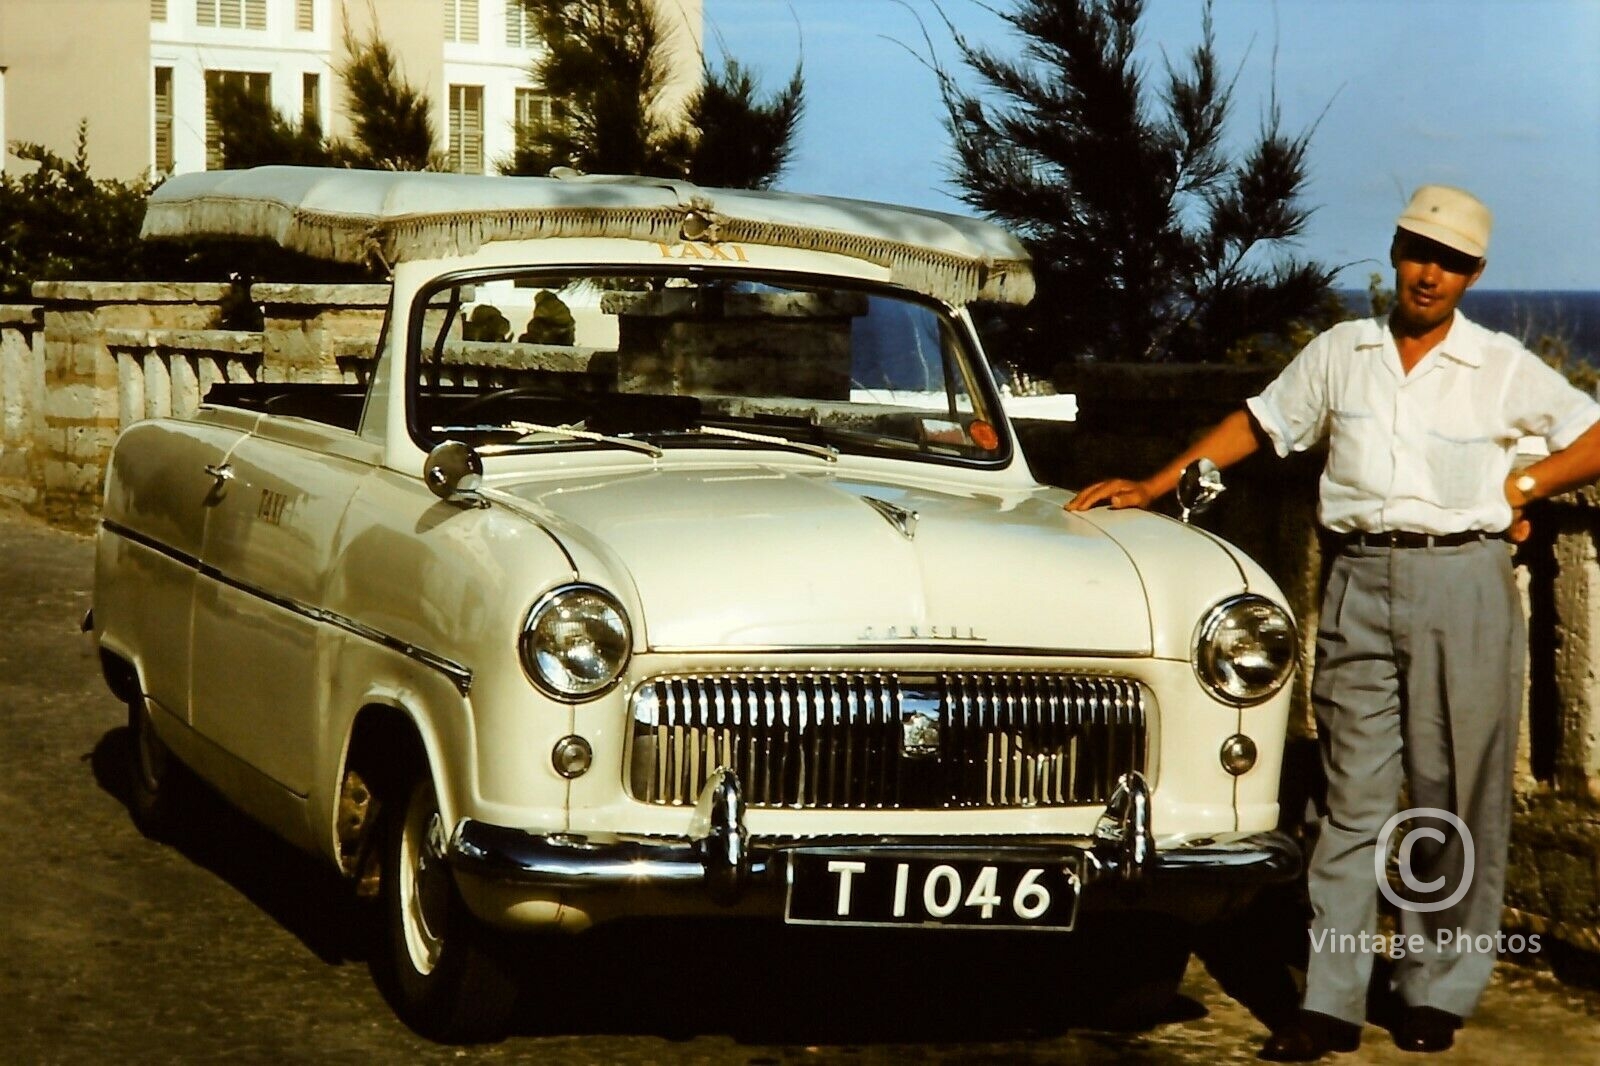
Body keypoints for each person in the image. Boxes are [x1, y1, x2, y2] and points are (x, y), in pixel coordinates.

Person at [1068, 185, 1600, 1060]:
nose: (1431, 274)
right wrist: (1156, 486)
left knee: (1453, 794)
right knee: (1348, 801)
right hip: (1357, 580)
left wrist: (1521, 488)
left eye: (1453, 263)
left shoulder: (1499, 364)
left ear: (1473, 276)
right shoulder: (1342, 353)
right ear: (1394, 254)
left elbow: (1587, 431)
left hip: (1461, 582)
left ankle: (1436, 989)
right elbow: (1258, 425)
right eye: (1418, 253)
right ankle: (1329, 999)